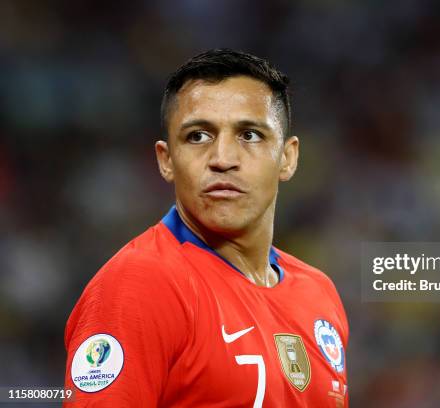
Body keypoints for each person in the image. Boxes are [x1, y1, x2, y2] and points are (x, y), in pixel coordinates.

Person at [63, 49, 349, 407]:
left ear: (287, 157)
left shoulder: (319, 295)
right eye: (198, 136)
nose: (223, 159)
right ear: (166, 161)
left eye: (249, 135)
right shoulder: (140, 285)